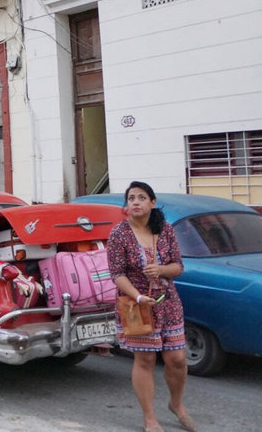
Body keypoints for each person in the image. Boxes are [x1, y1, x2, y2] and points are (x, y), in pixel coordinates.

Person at [108, 181, 196, 432]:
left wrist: (161, 270)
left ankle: (177, 405)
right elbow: (117, 274)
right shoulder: (119, 234)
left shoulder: (165, 229)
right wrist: (137, 296)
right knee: (145, 359)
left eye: (141, 197)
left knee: (177, 358)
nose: (136, 202)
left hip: (168, 303)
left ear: (152, 203)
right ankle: (150, 418)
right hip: (136, 305)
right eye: (131, 198)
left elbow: (178, 266)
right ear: (127, 205)